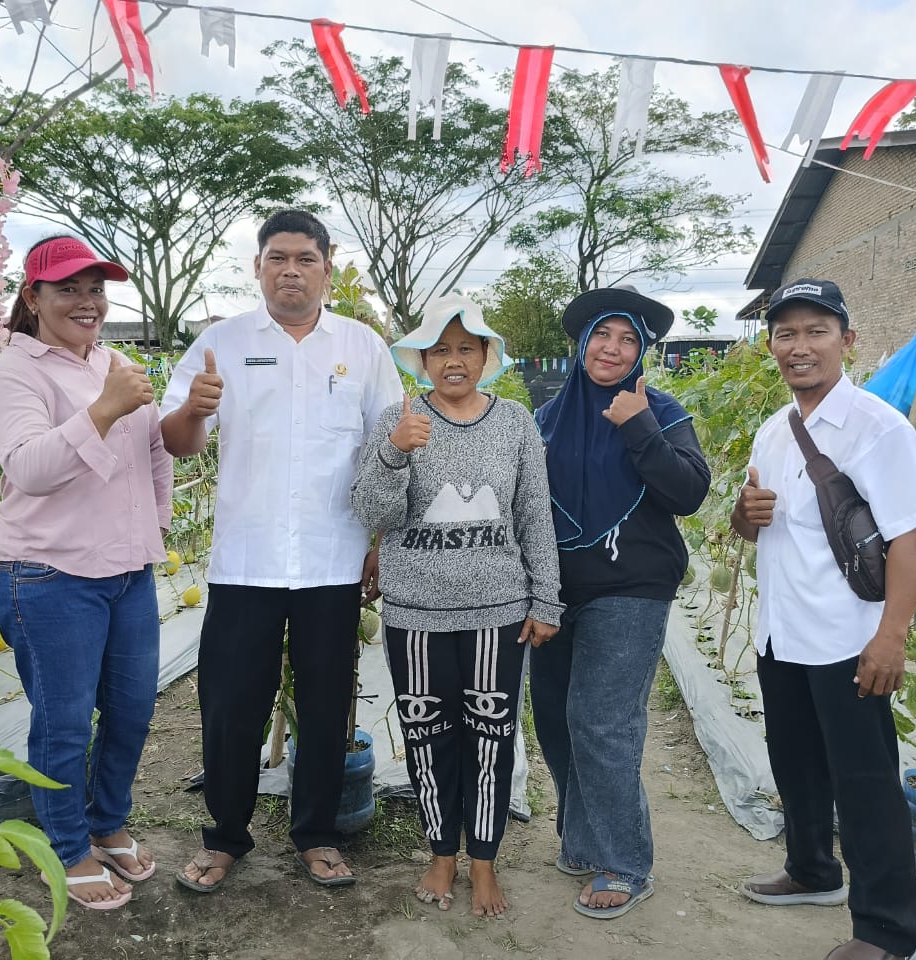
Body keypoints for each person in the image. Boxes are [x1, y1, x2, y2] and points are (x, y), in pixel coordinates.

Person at [159, 210, 402, 893]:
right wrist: (194, 410)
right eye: (276, 258)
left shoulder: (363, 348)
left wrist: (379, 542)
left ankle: (318, 835)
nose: (290, 269)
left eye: (304, 258)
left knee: (327, 707)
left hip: (334, 559)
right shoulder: (221, 344)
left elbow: (388, 452)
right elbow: (178, 442)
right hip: (248, 560)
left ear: (327, 267)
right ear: (257, 267)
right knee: (231, 705)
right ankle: (224, 839)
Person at [730, 278, 916, 960]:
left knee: (866, 783)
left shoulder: (879, 429)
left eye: (816, 330)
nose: (800, 346)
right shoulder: (775, 428)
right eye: (785, 334)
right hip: (782, 633)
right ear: (772, 346)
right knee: (795, 765)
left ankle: (884, 931)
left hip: (848, 638)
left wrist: (891, 636)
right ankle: (812, 869)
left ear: (847, 341)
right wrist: (745, 515)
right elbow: (752, 524)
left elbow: (911, 538)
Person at [351, 296, 563, 917]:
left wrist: (545, 597)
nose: (452, 361)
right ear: (420, 360)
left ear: (486, 356)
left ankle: (484, 863)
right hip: (415, 613)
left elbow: (533, 516)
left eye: (465, 348)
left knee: (492, 737)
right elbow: (372, 513)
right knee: (426, 735)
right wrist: (394, 451)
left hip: (497, 611)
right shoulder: (401, 417)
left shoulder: (515, 421)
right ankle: (442, 853)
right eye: (439, 350)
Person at [0, 235, 173, 910]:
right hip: (49, 574)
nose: (86, 302)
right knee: (63, 723)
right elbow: (28, 469)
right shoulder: (16, 371)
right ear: (33, 298)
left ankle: (108, 822)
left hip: (126, 571)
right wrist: (104, 408)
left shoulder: (113, 363)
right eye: (68, 289)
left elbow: (153, 450)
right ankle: (64, 849)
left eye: (95, 289)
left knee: (129, 712)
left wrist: (157, 520)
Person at [530, 284, 709, 920]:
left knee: (602, 719)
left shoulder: (660, 409)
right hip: (553, 592)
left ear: (642, 352)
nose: (612, 348)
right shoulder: (546, 418)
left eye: (628, 339)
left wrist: (638, 429)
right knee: (552, 715)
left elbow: (688, 492)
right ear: (581, 345)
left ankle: (624, 861)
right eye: (602, 335)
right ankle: (585, 837)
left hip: (631, 585)